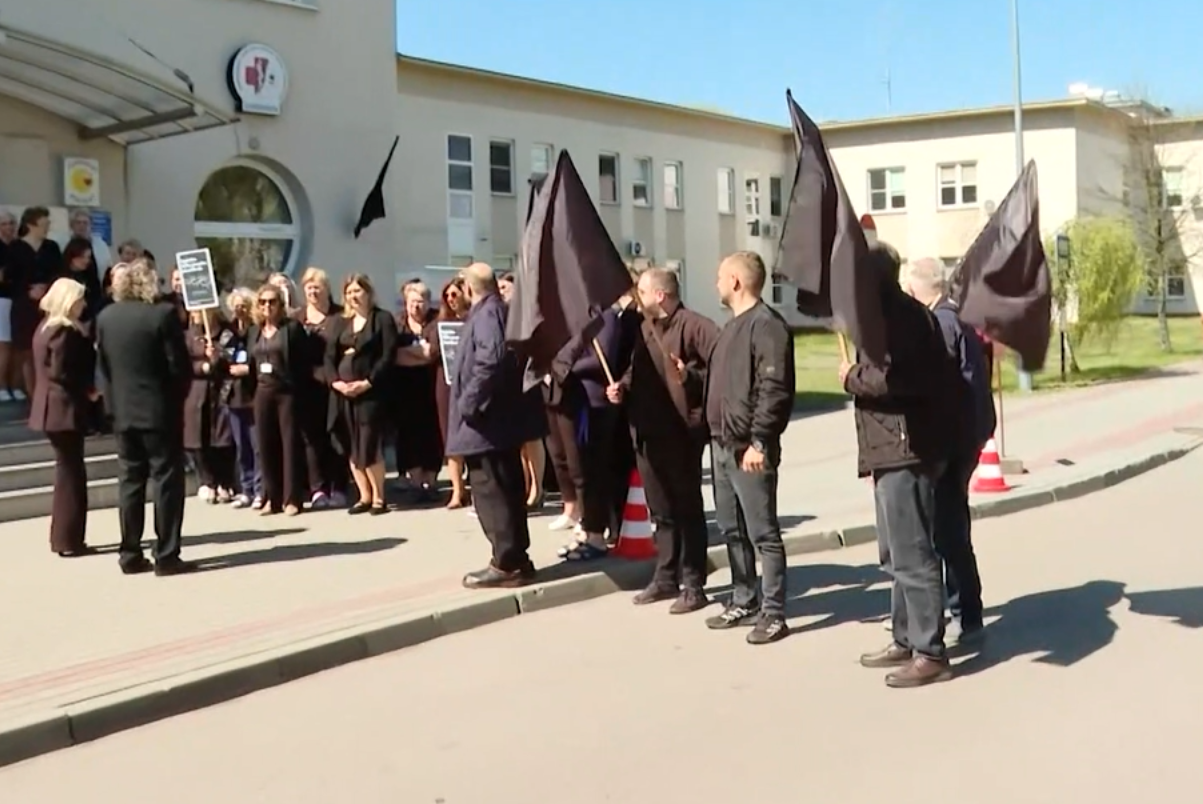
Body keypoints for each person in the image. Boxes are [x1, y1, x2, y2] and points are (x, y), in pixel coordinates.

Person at [839, 244, 963, 688]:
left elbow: (900, 380)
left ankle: (931, 651)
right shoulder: (884, 317)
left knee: (913, 553)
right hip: (889, 448)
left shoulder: (903, 319)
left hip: (908, 449)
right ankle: (905, 636)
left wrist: (851, 377)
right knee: (895, 554)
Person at [606, 267, 719, 614]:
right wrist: (621, 388)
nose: (635, 295)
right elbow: (634, 369)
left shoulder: (696, 326)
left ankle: (694, 582)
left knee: (687, 509)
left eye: (641, 289)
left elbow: (720, 370)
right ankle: (666, 575)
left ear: (660, 295)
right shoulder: (644, 328)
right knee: (662, 511)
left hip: (681, 433)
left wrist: (691, 375)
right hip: (647, 433)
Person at [703, 251, 796, 644]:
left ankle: (774, 613)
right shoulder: (731, 327)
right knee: (732, 528)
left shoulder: (767, 326)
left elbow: (774, 390)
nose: (716, 284)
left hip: (749, 449)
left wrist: (760, 441)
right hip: (721, 445)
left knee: (763, 533)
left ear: (737, 282)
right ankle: (744, 596)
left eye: (721, 277)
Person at [904, 258, 994, 644]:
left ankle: (964, 613)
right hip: (966, 437)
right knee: (952, 528)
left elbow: (941, 388)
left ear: (915, 289)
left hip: (952, 442)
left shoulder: (940, 323)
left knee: (947, 533)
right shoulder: (954, 317)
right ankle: (965, 611)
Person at [446, 263, 544, 589]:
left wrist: (469, 402)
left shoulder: (488, 315)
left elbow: (492, 358)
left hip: (486, 424)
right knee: (504, 490)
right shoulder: (495, 311)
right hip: (493, 423)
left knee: (493, 494)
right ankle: (516, 558)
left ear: (469, 288)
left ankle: (507, 563)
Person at [96, 260, 194, 576]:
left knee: (130, 482)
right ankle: (166, 554)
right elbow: (178, 367)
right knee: (166, 482)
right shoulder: (162, 316)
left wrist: (112, 408)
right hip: (159, 412)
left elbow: (104, 370)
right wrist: (177, 399)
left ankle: (129, 552)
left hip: (123, 413)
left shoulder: (106, 317)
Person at [29, 277, 97, 557]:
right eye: (80, 299)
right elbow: (62, 371)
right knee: (71, 475)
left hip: (50, 408)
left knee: (66, 471)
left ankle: (63, 537)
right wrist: (89, 391)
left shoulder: (44, 328)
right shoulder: (64, 331)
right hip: (63, 408)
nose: (83, 305)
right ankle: (70, 538)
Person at [328, 273, 397, 514]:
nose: (353, 296)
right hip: (343, 394)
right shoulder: (339, 322)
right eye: (349, 292)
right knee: (352, 444)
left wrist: (367, 382)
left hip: (370, 393)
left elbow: (387, 356)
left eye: (357, 291)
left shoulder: (382, 319)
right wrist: (336, 382)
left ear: (368, 293)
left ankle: (379, 497)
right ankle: (364, 495)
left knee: (368, 444)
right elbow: (329, 358)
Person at [247, 283, 308, 516]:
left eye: (272, 302)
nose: (267, 306)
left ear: (280, 305)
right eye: (262, 302)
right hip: (263, 392)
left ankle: (292, 498)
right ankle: (271, 497)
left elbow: (303, 363)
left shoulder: (291, 329)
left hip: (287, 392)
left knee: (290, 444)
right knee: (265, 445)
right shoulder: (255, 331)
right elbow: (251, 364)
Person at [295, 267, 347, 509]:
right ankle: (318, 488)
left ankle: (339, 486)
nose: (314, 291)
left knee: (336, 437)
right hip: (306, 387)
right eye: (309, 287)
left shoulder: (340, 316)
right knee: (311, 440)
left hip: (335, 385)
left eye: (318, 286)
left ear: (327, 289)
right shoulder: (297, 318)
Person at [393, 281, 442, 501]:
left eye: (420, 302)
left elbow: (433, 352)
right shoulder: (397, 322)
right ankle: (413, 480)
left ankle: (431, 481)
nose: (416, 307)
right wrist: (419, 354)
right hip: (404, 389)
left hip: (432, 387)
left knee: (433, 433)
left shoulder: (437, 320)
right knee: (408, 434)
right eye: (412, 302)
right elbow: (393, 354)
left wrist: (409, 354)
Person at [8, 206, 63, 401]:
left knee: (49, 348)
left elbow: (59, 273)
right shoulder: (15, 248)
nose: (47, 227)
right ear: (31, 225)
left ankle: (49, 392)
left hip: (48, 305)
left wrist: (47, 289)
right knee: (27, 350)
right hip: (24, 304)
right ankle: (33, 395)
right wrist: (27, 291)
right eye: (43, 224)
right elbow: (9, 279)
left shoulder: (52, 248)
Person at [184, 308, 236, 503]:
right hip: (196, 393)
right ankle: (207, 481)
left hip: (220, 391)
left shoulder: (225, 333)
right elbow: (183, 362)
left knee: (221, 437)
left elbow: (233, 354)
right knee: (199, 437)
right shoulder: (189, 336)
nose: (198, 313)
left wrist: (217, 356)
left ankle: (225, 480)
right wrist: (202, 366)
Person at [428, 277, 470, 509]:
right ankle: (457, 491)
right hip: (446, 384)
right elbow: (432, 353)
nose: (451, 299)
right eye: (447, 296)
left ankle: (474, 486)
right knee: (451, 439)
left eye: (455, 294)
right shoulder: (440, 323)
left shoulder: (475, 318)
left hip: (470, 383)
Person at [225, 288, 262, 509]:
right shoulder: (229, 332)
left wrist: (247, 369)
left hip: (253, 394)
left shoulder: (256, 331)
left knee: (257, 446)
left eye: (244, 305)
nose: (240, 309)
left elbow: (260, 358)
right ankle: (245, 489)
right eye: (236, 305)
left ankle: (259, 489)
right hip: (233, 396)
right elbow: (222, 357)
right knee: (242, 447)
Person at [0, 210, 17, 402]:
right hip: (1, 299)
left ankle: (14, 384)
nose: (9, 227)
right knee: (3, 344)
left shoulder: (16, 247)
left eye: (12, 223)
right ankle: (2, 386)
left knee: (16, 345)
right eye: (5, 224)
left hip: (16, 298)